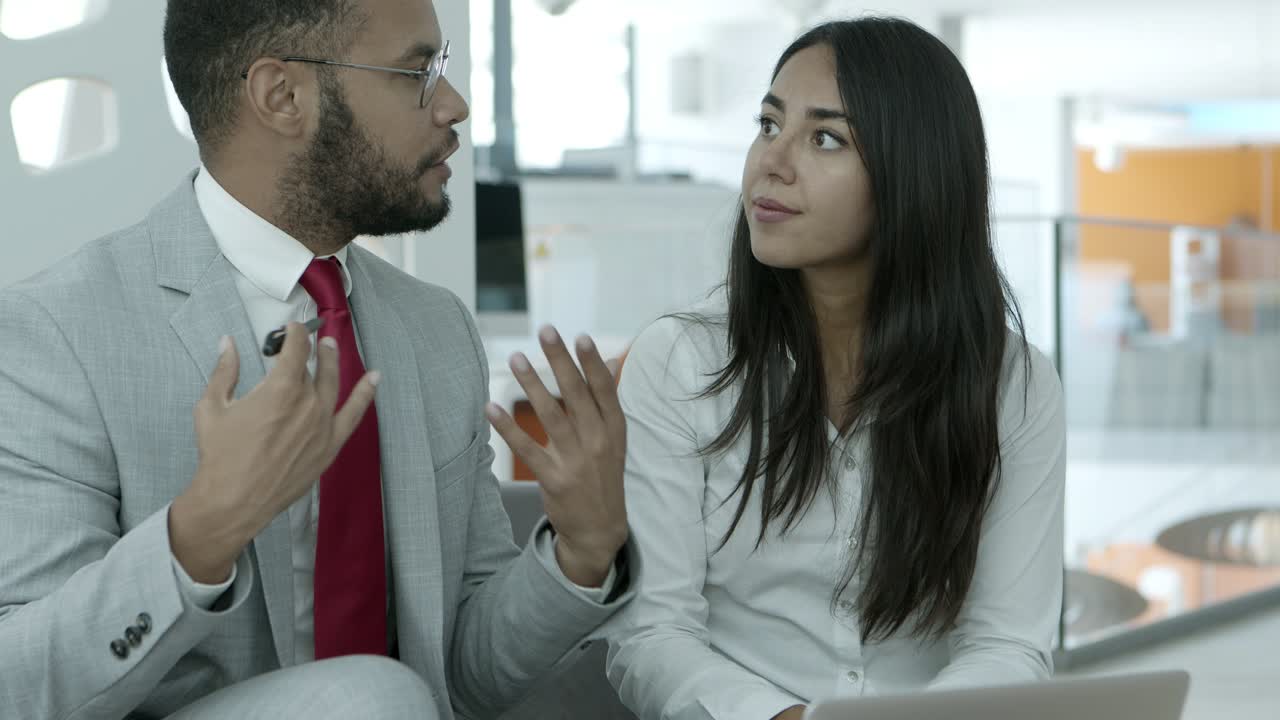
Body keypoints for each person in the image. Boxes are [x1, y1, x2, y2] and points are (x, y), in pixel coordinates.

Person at [0, 2, 632, 719]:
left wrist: (582, 550)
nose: (453, 106)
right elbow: (19, 688)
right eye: (417, 72)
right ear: (284, 97)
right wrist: (199, 535)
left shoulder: (433, 329)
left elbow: (462, 677)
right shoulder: (54, 333)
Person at [605, 17, 1066, 720]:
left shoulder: (1014, 385)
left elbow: (1009, 643)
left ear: (914, 174)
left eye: (825, 138)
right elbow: (651, 635)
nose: (772, 162)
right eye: (768, 124)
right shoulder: (680, 365)